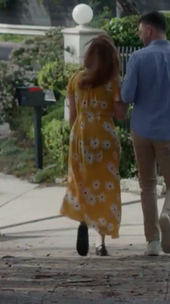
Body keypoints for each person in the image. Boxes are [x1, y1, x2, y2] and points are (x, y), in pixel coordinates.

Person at [120, 11, 170, 256]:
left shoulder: (137, 58)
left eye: (141, 30)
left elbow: (127, 95)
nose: (140, 35)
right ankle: (168, 215)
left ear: (149, 29)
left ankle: (152, 241)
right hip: (168, 132)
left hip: (141, 130)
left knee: (147, 185)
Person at [60, 35, 129, 257]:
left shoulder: (76, 80)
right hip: (105, 134)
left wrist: (76, 135)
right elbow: (120, 115)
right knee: (105, 185)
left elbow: (72, 116)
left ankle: (83, 220)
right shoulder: (114, 81)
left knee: (82, 182)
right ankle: (101, 241)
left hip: (81, 135)